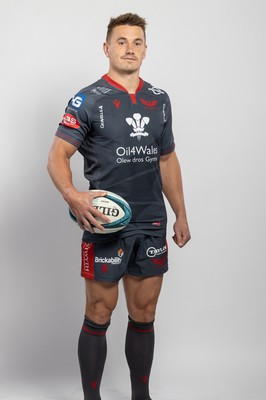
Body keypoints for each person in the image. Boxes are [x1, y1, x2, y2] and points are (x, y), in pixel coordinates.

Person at [47, 12, 191, 400]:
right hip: (105, 223)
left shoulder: (159, 100)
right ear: (107, 48)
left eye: (137, 42)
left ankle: (140, 396)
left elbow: (167, 160)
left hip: (151, 221)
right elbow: (57, 156)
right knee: (99, 312)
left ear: (146, 49)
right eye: (122, 42)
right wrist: (74, 195)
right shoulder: (88, 99)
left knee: (144, 313)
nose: (130, 49)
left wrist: (180, 214)